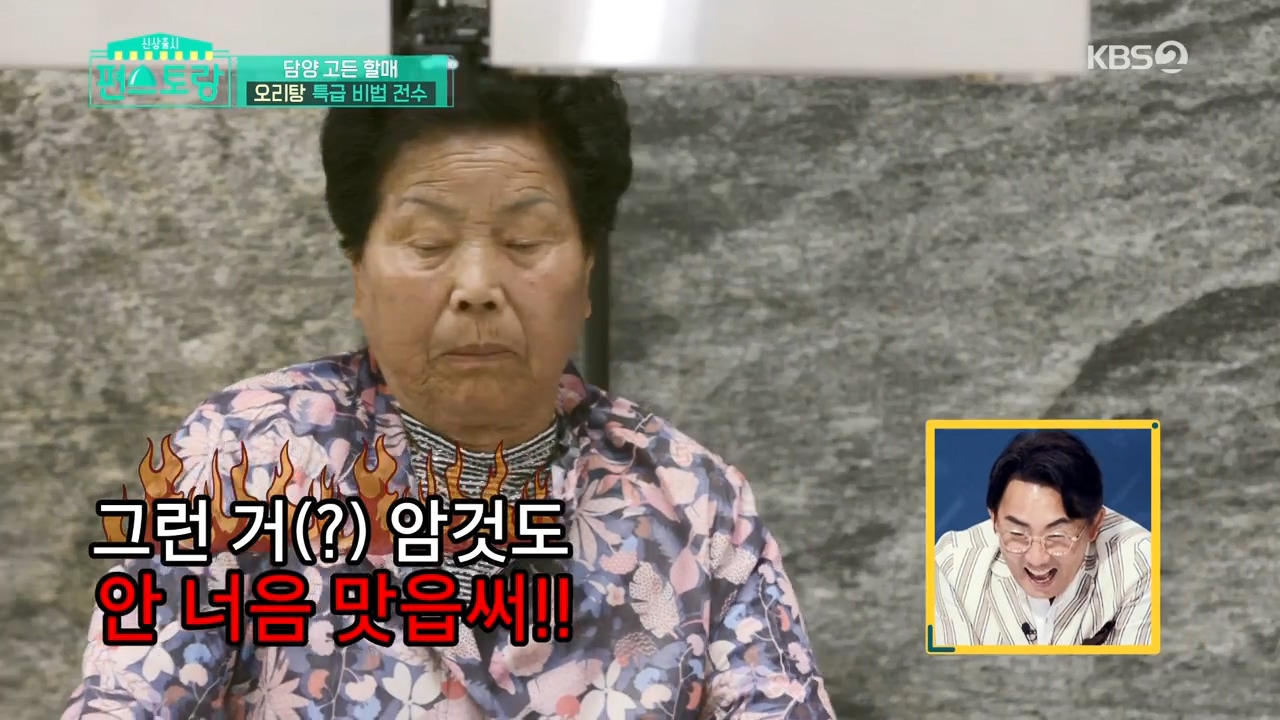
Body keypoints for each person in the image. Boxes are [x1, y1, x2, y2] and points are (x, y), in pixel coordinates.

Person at [62, 59, 833, 719]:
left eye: (525, 242)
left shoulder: (695, 504)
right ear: (359, 271)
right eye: (429, 243)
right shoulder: (236, 460)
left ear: (588, 271)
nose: (477, 287)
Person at [933, 430, 1153, 646]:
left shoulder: (1140, 563)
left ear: (1094, 524)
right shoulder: (952, 566)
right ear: (995, 520)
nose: (1037, 559)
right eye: (1017, 534)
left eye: (1057, 535)